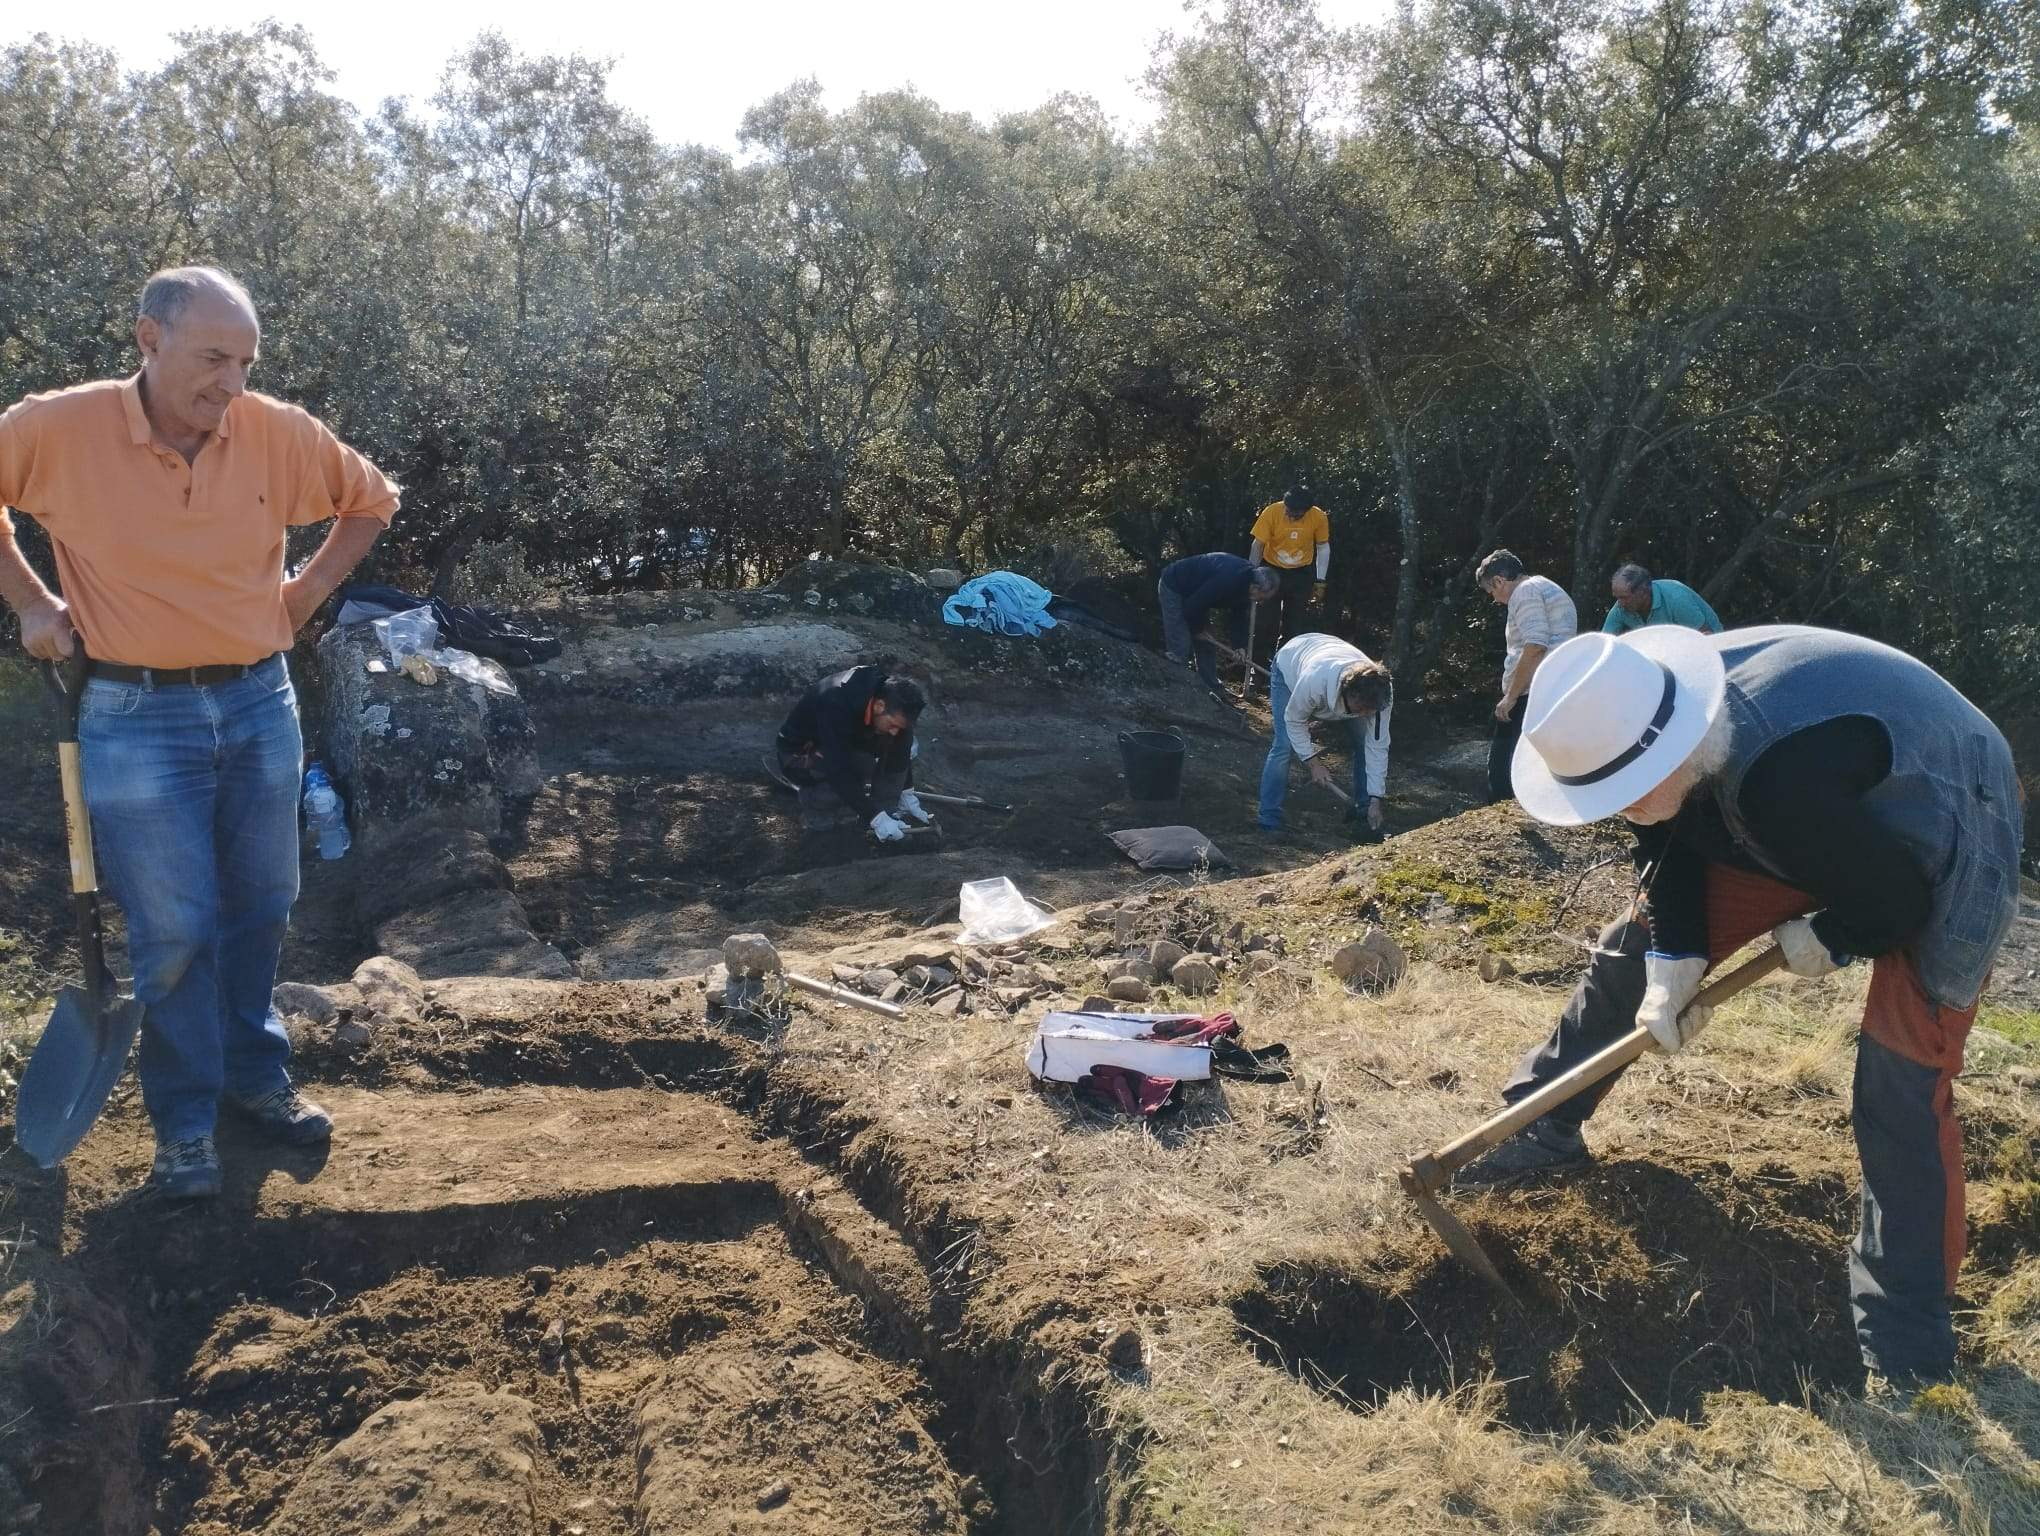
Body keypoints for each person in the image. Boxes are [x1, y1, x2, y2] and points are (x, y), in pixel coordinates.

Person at [1464, 623, 2023, 1387]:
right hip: (1825, 814)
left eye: (1624, 794)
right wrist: (1672, 967)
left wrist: (1826, 935)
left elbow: (1895, 901)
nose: (1616, 811)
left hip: (1947, 810)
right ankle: (1539, 1127)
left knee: (1899, 1080)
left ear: (1671, 756)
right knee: (1634, 950)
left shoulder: (1775, 782)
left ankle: (1907, 1337)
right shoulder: (1655, 713)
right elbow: (1666, 844)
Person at [0, 266, 400, 1200]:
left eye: (247, 362)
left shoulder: (275, 434)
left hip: (261, 704)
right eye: (214, 357)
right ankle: (183, 1119)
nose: (232, 382)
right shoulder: (58, 429)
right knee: (173, 927)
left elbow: (371, 499)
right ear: (148, 339)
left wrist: (301, 596)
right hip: (133, 716)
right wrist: (31, 602)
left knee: (263, 899)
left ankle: (256, 1079)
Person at [1256, 633, 1392, 841]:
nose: (1367, 714)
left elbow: (1377, 745)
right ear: (1351, 695)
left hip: (1328, 654)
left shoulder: (1381, 694)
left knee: (1364, 743)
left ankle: (1364, 811)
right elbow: (1294, 721)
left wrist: (1376, 798)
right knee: (1283, 745)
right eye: (1363, 709)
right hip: (1291, 662)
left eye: (1370, 711)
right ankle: (1269, 819)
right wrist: (1313, 763)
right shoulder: (1314, 682)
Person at [774, 668, 931, 840]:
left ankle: (884, 816)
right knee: (856, 771)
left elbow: (901, 743)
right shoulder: (835, 702)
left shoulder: (888, 697)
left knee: (898, 737)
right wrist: (875, 818)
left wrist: (906, 791)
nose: (894, 731)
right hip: (799, 754)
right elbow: (838, 770)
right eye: (893, 724)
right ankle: (816, 807)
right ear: (879, 706)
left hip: (843, 741)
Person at [1475, 549, 1577, 804]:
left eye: (1492, 591)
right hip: (1555, 683)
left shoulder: (1524, 592)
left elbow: (1535, 644)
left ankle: (1502, 810)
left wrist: (1510, 696)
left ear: (1499, 580)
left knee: (1503, 761)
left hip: (1533, 688)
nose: (1495, 599)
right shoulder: (1545, 586)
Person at [1157, 552, 1280, 690]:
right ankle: (1178, 687)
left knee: (1207, 644)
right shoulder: (1229, 579)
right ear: (1255, 587)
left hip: (1197, 597)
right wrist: (1198, 630)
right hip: (1175, 586)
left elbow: (1238, 617)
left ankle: (1210, 687)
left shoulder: (1247, 587)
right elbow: (1192, 606)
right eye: (1262, 598)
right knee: (1180, 645)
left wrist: (1239, 646)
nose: (1261, 602)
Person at [1247, 487, 1330, 655]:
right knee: (1265, 623)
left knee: (1293, 627)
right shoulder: (1272, 512)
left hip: (1301, 574)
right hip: (1272, 571)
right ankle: (1258, 671)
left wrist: (1320, 580)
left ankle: (1282, 671)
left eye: (1297, 514)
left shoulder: (1318, 516)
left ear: (1307, 511)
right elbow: (1258, 544)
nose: (1291, 516)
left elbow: (1323, 547)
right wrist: (1251, 574)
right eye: (1289, 511)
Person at [1602, 563, 1722, 635]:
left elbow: (1707, 636)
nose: (1620, 603)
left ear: (1643, 591)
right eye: (1617, 598)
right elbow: (1603, 645)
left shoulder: (1676, 599)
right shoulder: (1620, 608)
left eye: (1624, 598)